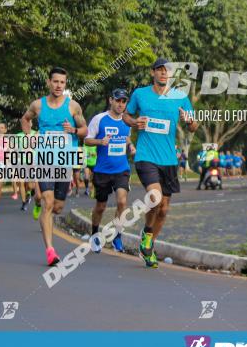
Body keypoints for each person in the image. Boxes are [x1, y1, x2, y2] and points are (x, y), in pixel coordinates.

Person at [124, 58, 197, 268]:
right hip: (146, 156)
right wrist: (134, 122)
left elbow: (194, 126)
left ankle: (149, 246)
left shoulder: (180, 97)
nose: (164, 73)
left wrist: (189, 121)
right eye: (160, 70)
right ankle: (147, 231)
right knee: (154, 197)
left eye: (167, 71)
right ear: (152, 73)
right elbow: (126, 116)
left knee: (164, 209)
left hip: (169, 159)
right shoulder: (140, 94)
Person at [20, 67, 87, 266]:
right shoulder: (38, 105)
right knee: (49, 203)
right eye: (55, 81)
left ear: (65, 85)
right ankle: (50, 250)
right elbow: (25, 119)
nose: (58, 86)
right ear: (49, 82)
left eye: (62, 82)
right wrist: (28, 136)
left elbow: (84, 130)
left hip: (64, 161)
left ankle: (38, 202)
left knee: (57, 207)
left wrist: (74, 129)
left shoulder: (73, 106)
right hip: (44, 159)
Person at [84, 89, 135, 253]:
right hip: (102, 170)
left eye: (124, 101)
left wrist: (131, 145)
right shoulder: (99, 119)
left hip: (122, 169)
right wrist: (100, 141)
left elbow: (126, 136)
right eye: (118, 101)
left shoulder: (127, 121)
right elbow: (87, 140)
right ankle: (94, 235)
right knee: (100, 206)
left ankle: (117, 236)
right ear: (110, 100)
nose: (121, 104)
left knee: (122, 202)